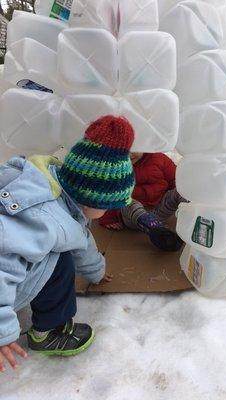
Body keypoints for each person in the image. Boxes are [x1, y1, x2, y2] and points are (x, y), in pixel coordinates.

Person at [0, 115, 135, 372]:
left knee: (60, 249)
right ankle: (47, 333)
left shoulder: (52, 185)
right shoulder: (44, 220)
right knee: (58, 262)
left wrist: (96, 272)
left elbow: (80, 238)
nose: (106, 214)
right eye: (106, 208)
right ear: (90, 200)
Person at [99, 152, 185, 252]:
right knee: (126, 201)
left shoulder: (159, 158)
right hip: (135, 217)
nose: (129, 154)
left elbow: (175, 180)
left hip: (161, 208)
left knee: (181, 190)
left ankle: (196, 219)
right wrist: (108, 218)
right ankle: (157, 231)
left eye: (135, 148)